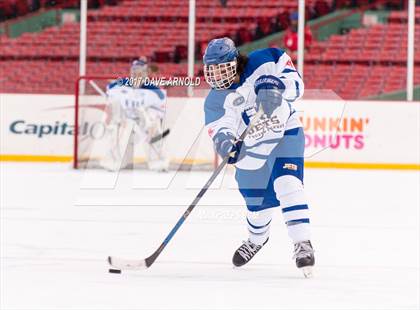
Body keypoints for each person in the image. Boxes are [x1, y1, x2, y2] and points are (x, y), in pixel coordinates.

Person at [203, 37, 315, 277]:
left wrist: (274, 85)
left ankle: (302, 243)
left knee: (288, 183)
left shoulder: (267, 59)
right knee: (256, 203)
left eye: (221, 68)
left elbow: (297, 86)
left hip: (285, 130)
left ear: (235, 62)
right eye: (211, 70)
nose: (216, 75)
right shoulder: (214, 99)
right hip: (252, 145)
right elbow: (221, 127)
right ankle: (257, 239)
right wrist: (225, 143)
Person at [101, 57, 169, 172]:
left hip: (143, 120)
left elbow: (159, 108)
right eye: (135, 71)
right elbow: (109, 92)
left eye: (140, 71)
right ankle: (114, 162)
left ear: (145, 73)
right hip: (126, 119)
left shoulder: (154, 90)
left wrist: (154, 121)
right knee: (116, 132)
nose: (137, 74)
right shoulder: (120, 84)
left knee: (154, 133)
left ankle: (159, 163)